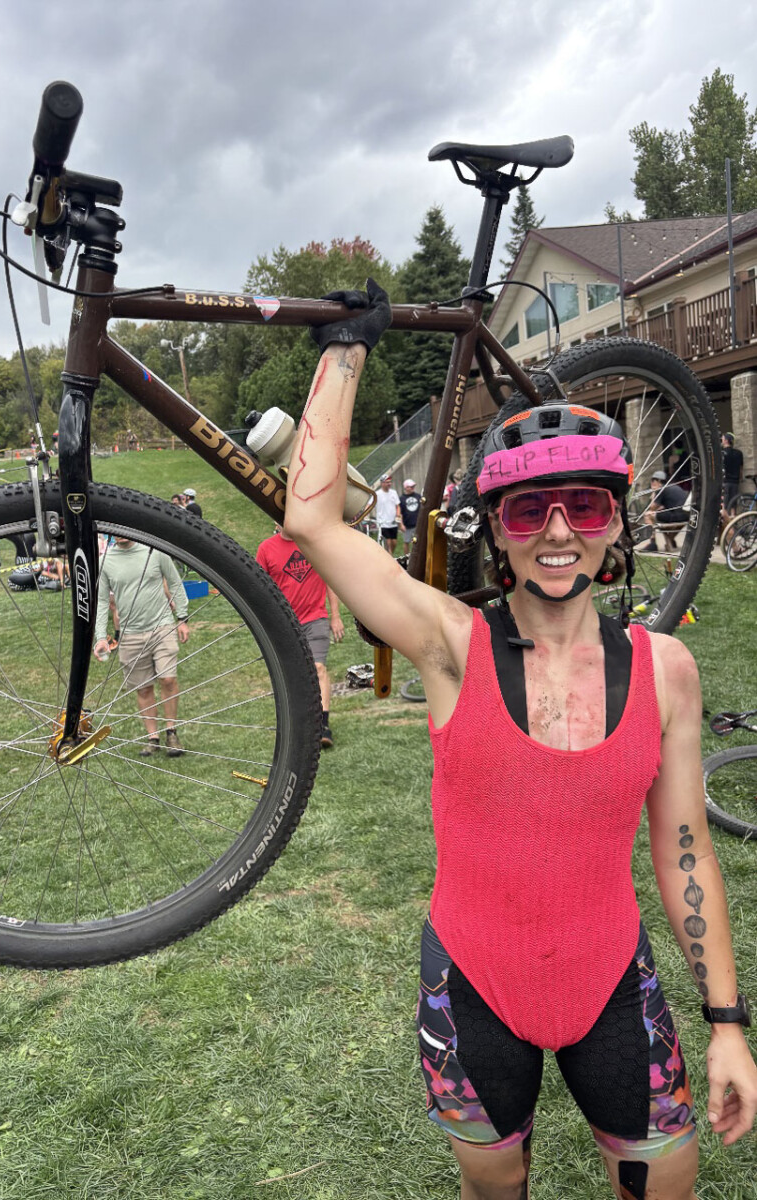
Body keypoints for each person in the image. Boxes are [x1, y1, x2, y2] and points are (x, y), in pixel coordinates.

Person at [282, 279, 757, 1198]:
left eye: (581, 507)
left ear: (614, 521)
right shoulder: (451, 647)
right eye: (524, 510)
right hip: (473, 986)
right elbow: (312, 520)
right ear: (495, 534)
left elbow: (686, 845)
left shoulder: (665, 669)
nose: (554, 533)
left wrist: (729, 1022)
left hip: (610, 979)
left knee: (671, 1180)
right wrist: (346, 349)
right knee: (496, 1190)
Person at [93, 538, 190, 756]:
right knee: (144, 687)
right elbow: (100, 601)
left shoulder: (155, 551)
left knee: (168, 678)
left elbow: (174, 582)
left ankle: (171, 731)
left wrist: (182, 617)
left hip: (161, 625)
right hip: (130, 634)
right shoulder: (105, 561)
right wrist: (101, 637)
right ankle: (152, 737)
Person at [256, 523, 344, 749]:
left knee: (318, 669)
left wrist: (335, 616)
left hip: (316, 618)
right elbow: (259, 589)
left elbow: (330, 580)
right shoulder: (266, 549)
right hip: (285, 624)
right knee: (293, 676)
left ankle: (323, 725)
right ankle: (298, 725)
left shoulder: (312, 544)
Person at [640, 469, 689, 551]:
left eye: (653, 480)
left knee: (648, 515)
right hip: (686, 516)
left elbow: (652, 508)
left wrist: (653, 493)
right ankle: (671, 540)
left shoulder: (661, 489)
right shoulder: (673, 487)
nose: (652, 482)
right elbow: (664, 506)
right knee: (660, 515)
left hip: (676, 516)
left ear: (659, 481)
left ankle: (652, 543)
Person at [374, 474, 400, 554]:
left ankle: (390, 555)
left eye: (390, 482)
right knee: (388, 542)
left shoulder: (393, 493)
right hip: (383, 523)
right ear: (382, 483)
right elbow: (369, 505)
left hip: (393, 522)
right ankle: (390, 557)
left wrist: (398, 515)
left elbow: (397, 506)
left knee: (394, 542)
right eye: (387, 482)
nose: (389, 484)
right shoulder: (377, 494)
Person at [721, 432, 744, 512]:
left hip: (725, 482)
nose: (722, 440)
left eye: (722, 439)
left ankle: (725, 522)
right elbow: (741, 468)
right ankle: (733, 519)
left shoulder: (722, 453)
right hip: (735, 482)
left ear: (726, 440)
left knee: (724, 504)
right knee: (733, 504)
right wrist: (740, 478)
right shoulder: (739, 453)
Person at [399, 478, 421, 554]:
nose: (412, 488)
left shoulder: (418, 496)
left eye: (413, 487)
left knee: (417, 541)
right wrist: (401, 524)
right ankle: (406, 556)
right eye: (410, 487)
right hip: (407, 524)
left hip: (417, 524)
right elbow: (399, 513)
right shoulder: (401, 499)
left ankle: (417, 555)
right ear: (406, 487)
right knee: (406, 541)